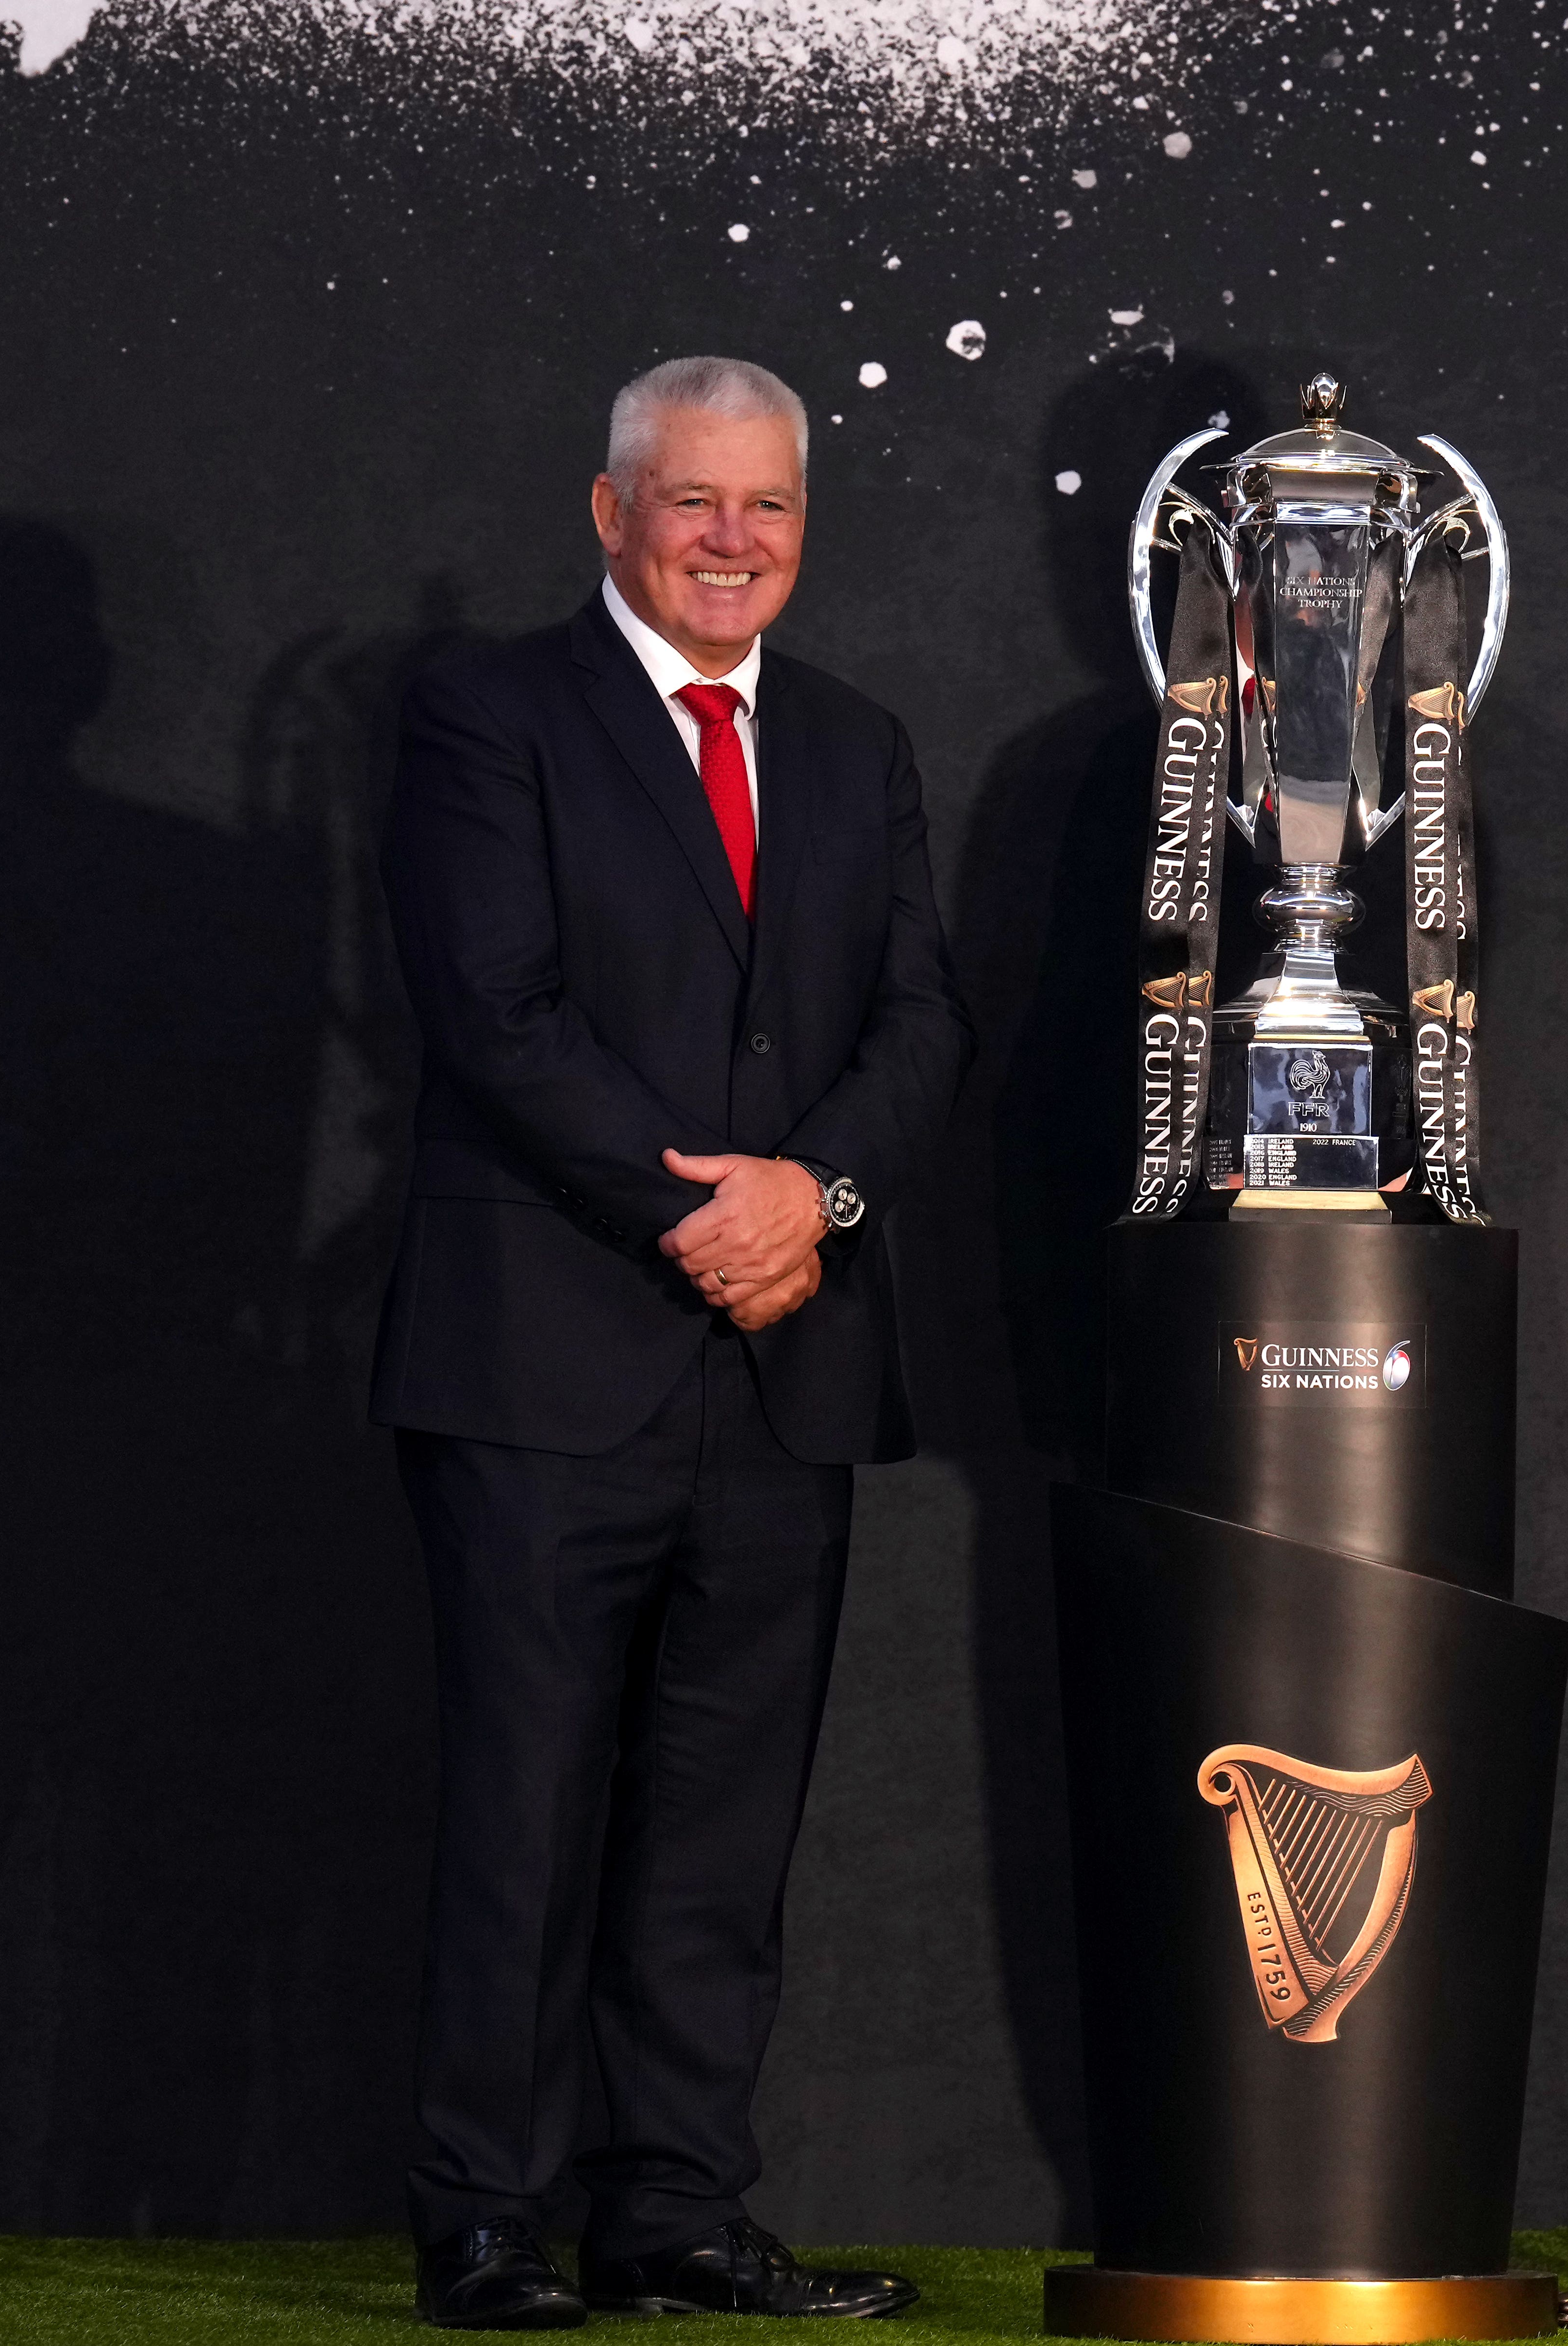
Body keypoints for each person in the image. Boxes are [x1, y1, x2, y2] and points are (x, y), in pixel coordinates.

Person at [373, 356, 968, 2330]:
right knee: (524, 1814)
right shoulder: (485, 714)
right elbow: (492, 1010)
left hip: (783, 1364)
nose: (733, 538)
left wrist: (818, 1201)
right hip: (547, 1359)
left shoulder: (860, 740)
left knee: (722, 1831)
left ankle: (679, 2213)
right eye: (693, 502)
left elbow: (917, 1027)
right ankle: (487, 2219)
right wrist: (703, 1212)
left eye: (769, 506)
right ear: (611, 514)